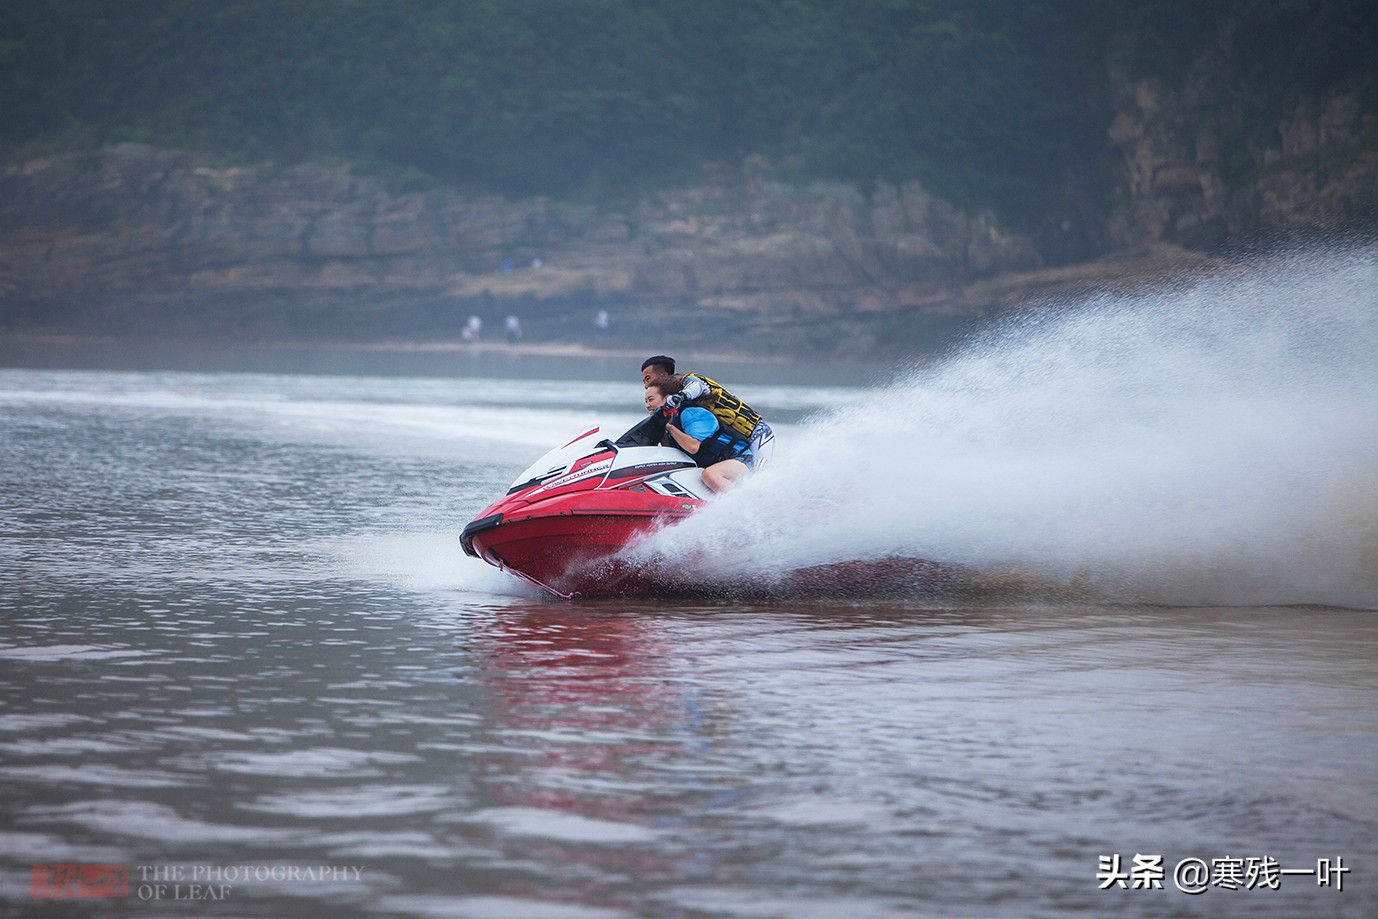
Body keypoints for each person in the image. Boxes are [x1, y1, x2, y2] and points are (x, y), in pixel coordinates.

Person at [640, 355, 775, 469]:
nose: (646, 385)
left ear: (663, 375)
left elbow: (697, 387)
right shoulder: (678, 408)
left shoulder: (690, 382)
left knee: (760, 475)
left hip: (757, 433)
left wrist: (681, 396)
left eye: (648, 378)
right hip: (736, 443)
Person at [644, 380, 752, 493]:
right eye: (646, 401)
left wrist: (669, 427)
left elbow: (693, 446)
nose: (647, 405)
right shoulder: (669, 424)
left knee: (710, 475)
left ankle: (742, 505)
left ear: (668, 398)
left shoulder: (692, 414)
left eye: (651, 399)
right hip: (717, 465)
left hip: (740, 460)